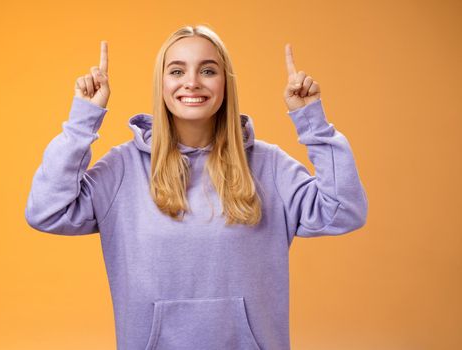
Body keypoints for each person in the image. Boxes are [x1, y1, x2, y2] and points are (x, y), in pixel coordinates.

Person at [25, 25, 368, 350]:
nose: (192, 82)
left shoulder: (269, 166)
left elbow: (343, 211)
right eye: (176, 71)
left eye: (207, 70)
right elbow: (47, 212)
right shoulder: (123, 168)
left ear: (225, 83)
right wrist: (84, 119)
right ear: (161, 84)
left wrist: (313, 123)